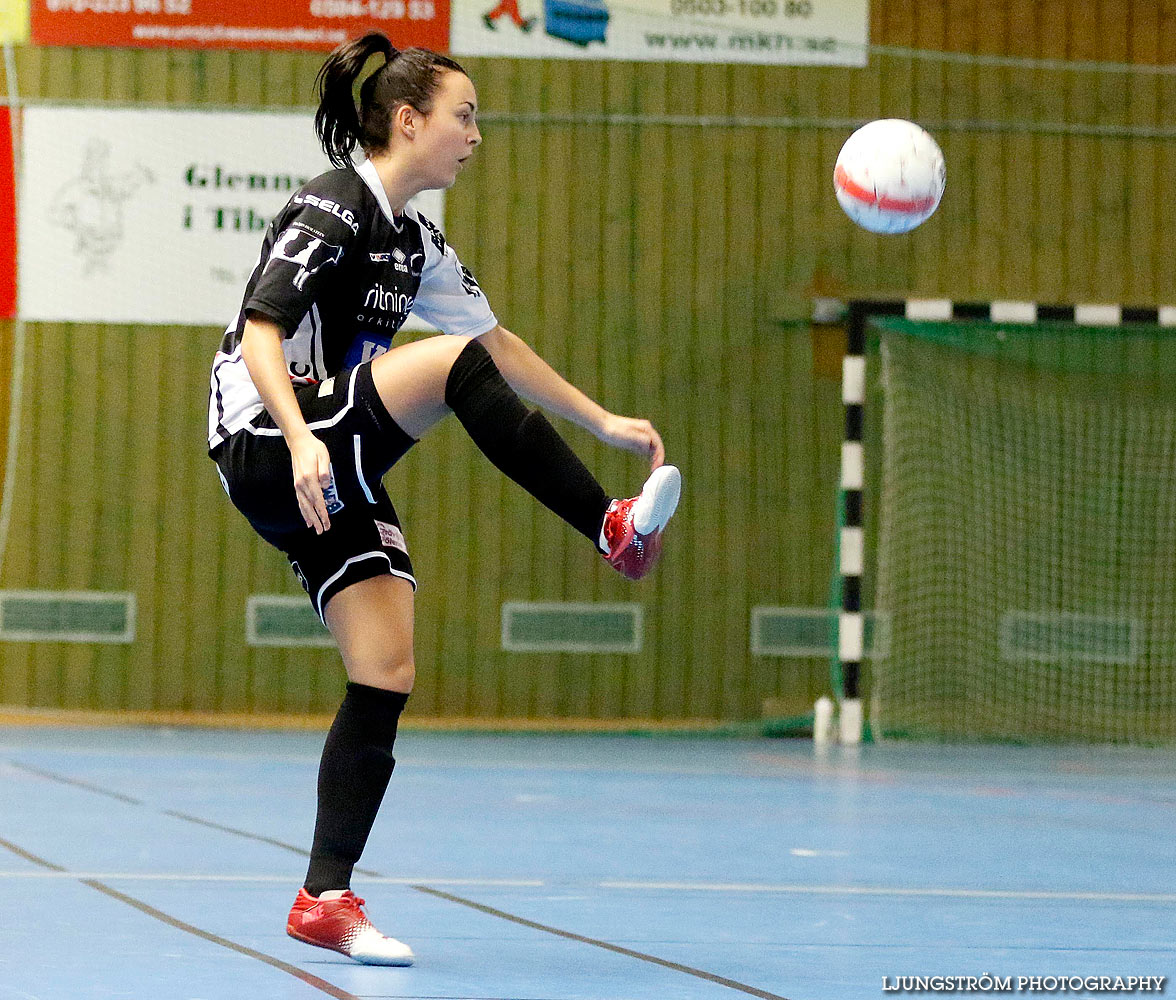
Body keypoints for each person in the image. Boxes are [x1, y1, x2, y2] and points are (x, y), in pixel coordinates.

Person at [207, 32, 681, 966]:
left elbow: (496, 346)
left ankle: (322, 896)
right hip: (268, 440)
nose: (474, 135)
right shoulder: (335, 204)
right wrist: (302, 439)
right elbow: (262, 330)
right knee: (443, 368)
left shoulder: (417, 242)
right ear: (408, 120)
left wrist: (602, 421)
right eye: (464, 117)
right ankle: (610, 527)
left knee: (385, 666)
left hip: (325, 453)